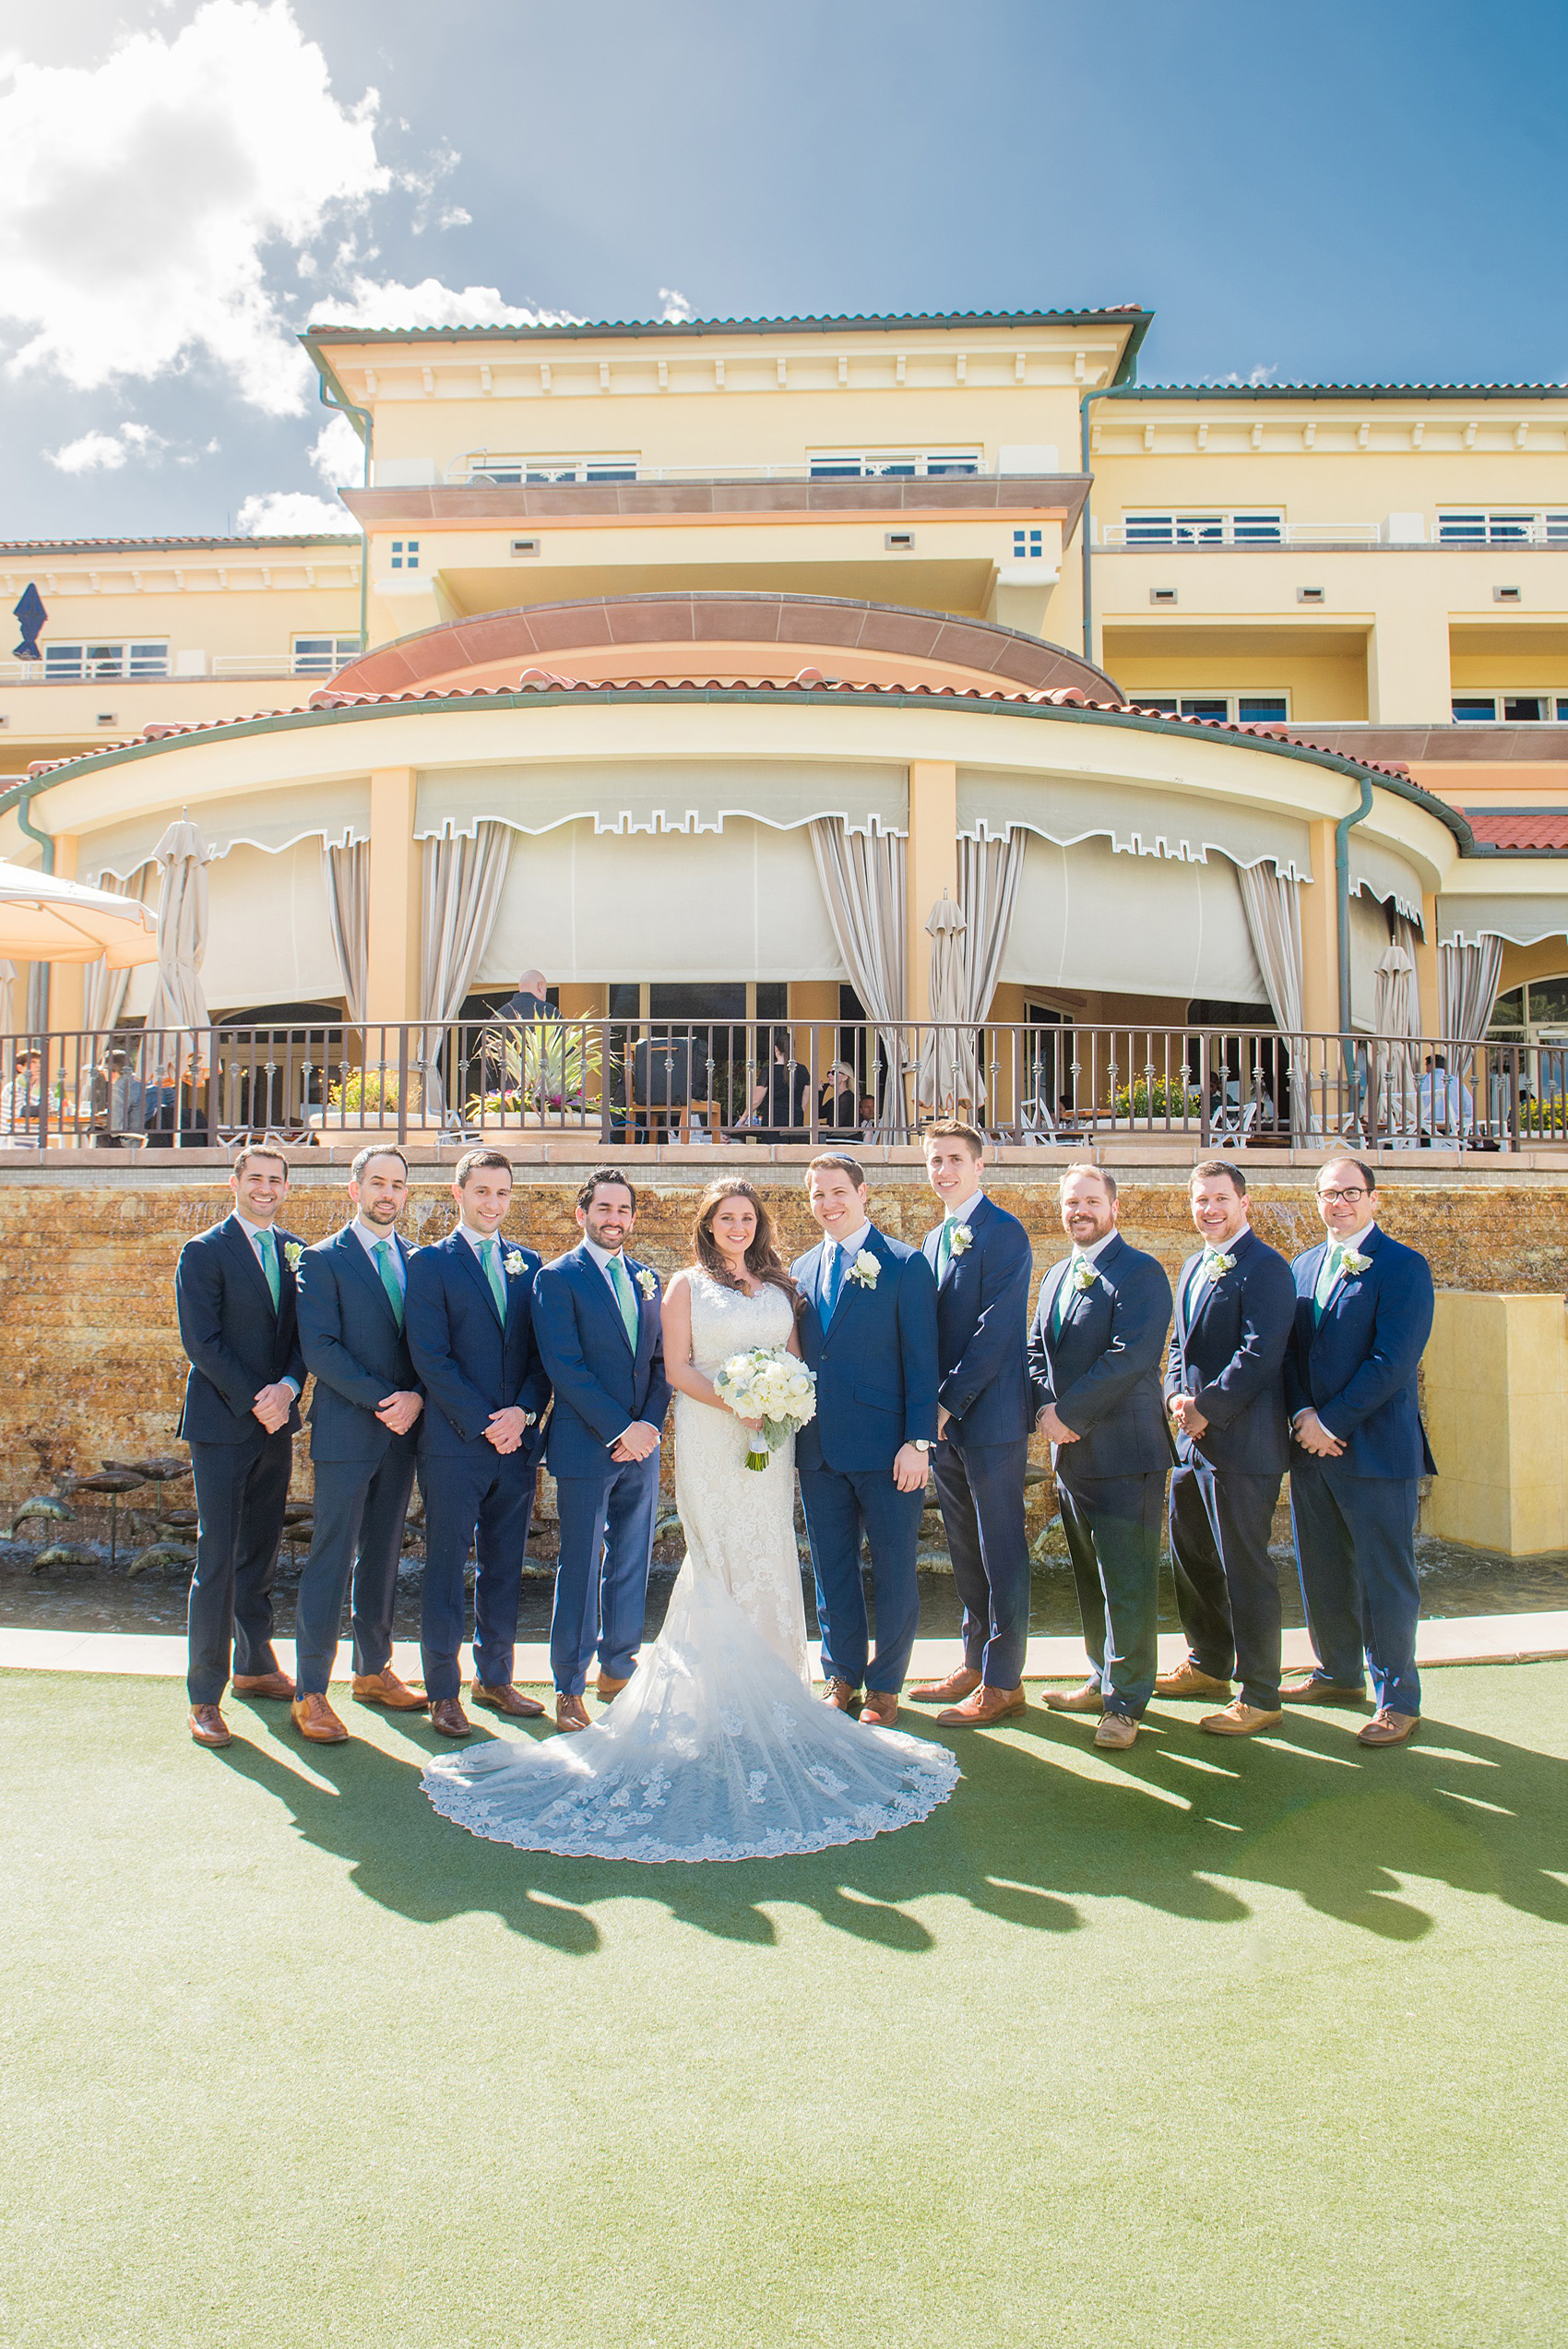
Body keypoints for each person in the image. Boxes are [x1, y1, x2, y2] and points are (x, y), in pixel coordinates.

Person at [421, 1179, 958, 1860]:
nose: (737, 1226)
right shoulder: (679, 1285)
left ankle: (778, 1690)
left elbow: (797, 1360)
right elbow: (673, 1368)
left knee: (767, 1550)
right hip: (715, 1434)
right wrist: (739, 1400)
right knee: (714, 1556)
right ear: (708, 1225)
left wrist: (778, 1396)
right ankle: (694, 1700)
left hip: (771, 1436)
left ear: (758, 1224)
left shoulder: (783, 1287)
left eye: (747, 1217)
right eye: (726, 1217)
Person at [1282, 1157, 1436, 1747]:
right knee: (1320, 1569)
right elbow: (1290, 1356)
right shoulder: (1302, 1267)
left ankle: (1398, 1697)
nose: (1339, 1203)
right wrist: (1302, 1417)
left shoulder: (1403, 1266)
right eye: (1328, 1193)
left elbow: (1393, 1363)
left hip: (1374, 1451)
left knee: (1385, 1579)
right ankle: (1338, 1673)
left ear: (1374, 1199)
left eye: (1351, 1192)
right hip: (1309, 1448)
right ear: (1316, 1200)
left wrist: (1332, 1421)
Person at [404, 1150, 552, 1739]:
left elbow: (542, 1355)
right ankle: (443, 1690)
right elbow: (430, 1357)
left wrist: (520, 1412)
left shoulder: (529, 1263)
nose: (494, 1204)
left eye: (503, 1193)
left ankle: (496, 1675)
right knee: (444, 1567)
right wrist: (485, 1420)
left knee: (505, 1564)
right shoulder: (429, 1264)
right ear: (459, 1192)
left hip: (515, 1444)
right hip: (453, 1443)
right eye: (483, 1192)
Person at [791, 1152, 939, 1725]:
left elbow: (922, 1360)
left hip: (888, 1450)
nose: (828, 1204)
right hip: (819, 1448)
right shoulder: (800, 1270)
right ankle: (842, 1675)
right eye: (817, 1195)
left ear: (862, 1192)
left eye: (837, 1192)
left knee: (897, 1568)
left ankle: (885, 1685)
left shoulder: (904, 1264)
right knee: (831, 1568)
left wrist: (918, 1442)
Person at [1028, 1163, 1173, 1750]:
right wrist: (1044, 1408)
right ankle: (1100, 1674)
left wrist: (1068, 1415)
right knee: (1090, 1576)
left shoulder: (1141, 1273)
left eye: (1090, 1201)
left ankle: (1128, 1701)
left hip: (1126, 1454)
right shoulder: (1059, 1273)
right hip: (1073, 1454)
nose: (1079, 1211)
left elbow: (1131, 1356)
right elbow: (1035, 1347)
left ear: (1113, 1208)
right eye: (1071, 1203)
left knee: (1129, 1580)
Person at [290, 1147, 428, 1744]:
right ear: (355, 1189)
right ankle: (311, 1691)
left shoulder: (419, 1262)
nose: (388, 1194)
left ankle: (372, 1670)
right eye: (377, 1183)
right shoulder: (321, 1260)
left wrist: (417, 1396)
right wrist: (386, 1399)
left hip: (403, 1434)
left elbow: (433, 1345)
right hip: (349, 1431)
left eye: (397, 1185)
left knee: (383, 1555)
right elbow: (320, 1348)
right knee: (330, 1556)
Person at [1157, 1159, 1297, 1735]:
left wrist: (1204, 1409)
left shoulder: (1267, 1267)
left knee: (1245, 1568)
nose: (1209, 1209)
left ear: (1244, 1202)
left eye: (1219, 1199)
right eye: (1200, 1200)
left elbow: (1261, 1354)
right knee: (1191, 1560)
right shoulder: (1193, 1264)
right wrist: (1173, 1399)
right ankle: (1208, 1663)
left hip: (1243, 1445)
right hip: (1193, 1445)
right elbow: (1177, 1345)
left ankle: (1261, 1692)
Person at [530, 1168, 671, 1733]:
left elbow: (661, 1361)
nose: (614, 1219)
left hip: (643, 1445)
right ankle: (569, 1683)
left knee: (633, 1559)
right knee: (581, 1562)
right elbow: (565, 1367)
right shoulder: (556, 1278)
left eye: (623, 1210)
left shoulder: (647, 1279)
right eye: (604, 1209)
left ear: (633, 1218)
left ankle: (619, 1665)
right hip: (588, 1444)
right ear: (582, 1213)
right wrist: (620, 1429)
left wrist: (648, 1427)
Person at [174, 1144, 305, 1748]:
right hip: (223, 1423)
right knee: (218, 1558)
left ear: (285, 1187)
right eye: (255, 1178)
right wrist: (261, 1396)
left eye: (275, 1180)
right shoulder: (203, 1252)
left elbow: (308, 1336)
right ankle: (205, 1695)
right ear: (235, 1182)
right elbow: (201, 1343)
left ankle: (255, 1664)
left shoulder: (295, 1251)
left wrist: (287, 1387)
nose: (265, 1188)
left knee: (262, 1551)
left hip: (275, 1424)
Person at [909, 1119, 1036, 1727]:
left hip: (991, 1420)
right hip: (946, 1425)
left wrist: (945, 1402)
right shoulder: (935, 1239)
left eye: (955, 1159)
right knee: (963, 1545)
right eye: (935, 1161)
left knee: (1001, 1547)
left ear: (979, 1165)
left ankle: (1006, 1679)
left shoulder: (1004, 1233)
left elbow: (996, 1331)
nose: (944, 1171)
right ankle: (974, 1660)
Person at [744, 1030, 810, 1141]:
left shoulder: (769, 1071)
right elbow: (805, 1098)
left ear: (776, 1049)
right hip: (795, 1119)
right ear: (793, 1049)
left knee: (773, 1155)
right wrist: (798, 1113)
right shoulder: (803, 1070)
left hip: (773, 1120)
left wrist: (743, 1119)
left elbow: (756, 1100)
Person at [0, 1047, 42, 1141]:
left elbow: (49, 1110)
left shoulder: (44, 1090)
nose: (38, 1066)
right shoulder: (12, 1088)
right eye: (33, 1062)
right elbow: (25, 1112)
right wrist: (37, 1090)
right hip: (10, 1144)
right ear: (20, 1068)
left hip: (34, 1145)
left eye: (40, 1063)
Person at [818, 1061, 861, 1133]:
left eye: (834, 1073)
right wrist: (821, 1091)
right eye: (829, 1073)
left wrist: (821, 1127)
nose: (829, 1075)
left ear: (844, 1077)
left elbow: (837, 1125)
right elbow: (819, 1113)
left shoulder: (848, 1097)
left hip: (847, 1140)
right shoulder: (835, 1100)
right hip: (837, 1138)